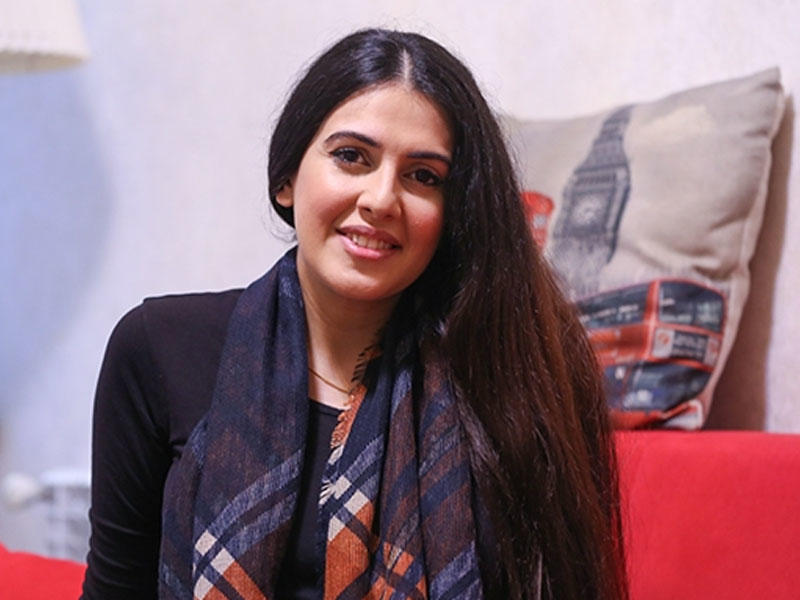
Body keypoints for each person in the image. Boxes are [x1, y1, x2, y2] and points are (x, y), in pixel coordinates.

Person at [81, 28, 627, 600]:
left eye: (423, 176)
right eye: (351, 157)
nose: (381, 199)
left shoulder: (515, 371)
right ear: (287, 177)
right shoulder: (160, 350)